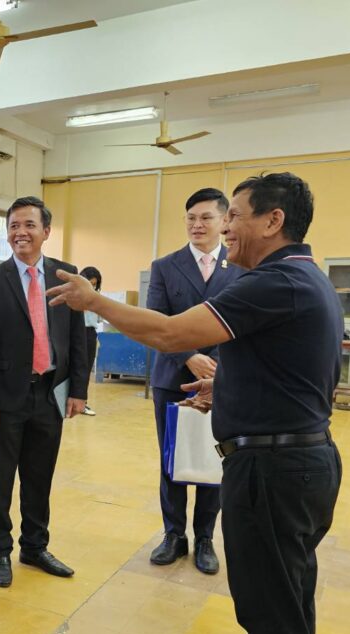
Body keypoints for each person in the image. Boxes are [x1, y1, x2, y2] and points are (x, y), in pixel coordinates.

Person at [46, 172, 342, 634]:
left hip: (275, 470)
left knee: (276, 609)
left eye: (234, 215)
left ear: (273, 221)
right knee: (274, 603)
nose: (225, 226)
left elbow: (171, 331)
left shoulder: (275, 281)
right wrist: (227, 389)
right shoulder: (302, 279)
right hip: (288, 459)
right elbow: (294, 374)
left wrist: (94, 300)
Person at [0, 196, 89, 588]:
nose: (20, 232)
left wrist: (78, 389)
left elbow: (78, 338)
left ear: (46, 231)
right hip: (6, 397)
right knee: (0, 478)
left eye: (28, 225)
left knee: (40, 476)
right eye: (13, 226)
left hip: (50, 393)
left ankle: (35, 546)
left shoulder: (66, 277)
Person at [147, 188, 243, 574]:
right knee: (172, 457)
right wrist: (188, 356)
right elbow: (155, 323)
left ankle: (205, 537)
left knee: (212, 457)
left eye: (206, 217)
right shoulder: (165, 266)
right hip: (173, 378)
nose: (197, 225)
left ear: (223, 221)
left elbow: (244, 325)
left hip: (224, 382)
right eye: (190, 218)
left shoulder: (240, 268)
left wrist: (215, 367)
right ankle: (174, 534)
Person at [79, 266, 102, 416]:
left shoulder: (97, 296)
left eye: (95, 284)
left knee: (86, 369)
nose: (92, 287)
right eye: (90, 283)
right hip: (78, 332)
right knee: (74, 368)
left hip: (91, 333)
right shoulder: (75, 294)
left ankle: (82, 403)